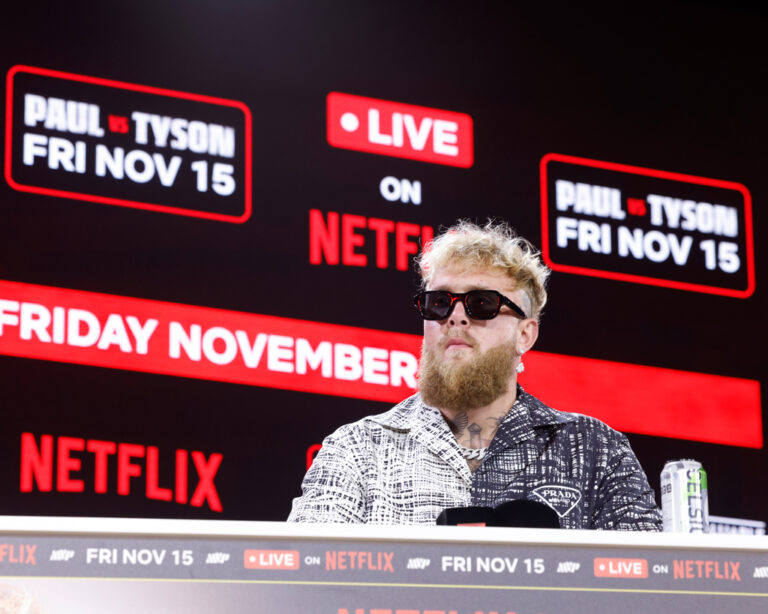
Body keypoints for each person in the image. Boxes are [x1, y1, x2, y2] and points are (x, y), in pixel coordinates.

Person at [288, 220, 662, 529]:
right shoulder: (357, 449)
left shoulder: (595, 449)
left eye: (481, 303)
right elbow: (306, 581)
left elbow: (652, 588)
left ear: (525, 334)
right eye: (439, 302)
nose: (455, 316)